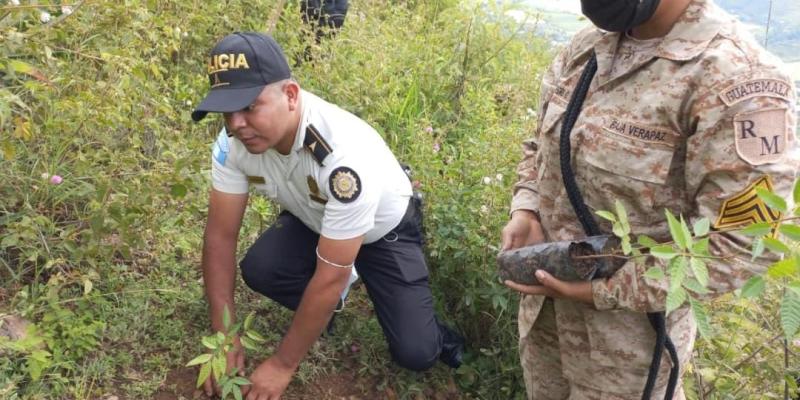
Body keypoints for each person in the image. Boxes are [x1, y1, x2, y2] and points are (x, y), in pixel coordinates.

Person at [501, 0, 798, 399]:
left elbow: (742, 246)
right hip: (546, 320)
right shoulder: (588, 47)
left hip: (630, 355)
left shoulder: (735, 80)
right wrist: (528, 206)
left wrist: (603, 292)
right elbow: (541, 142)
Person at [191, 32, 464, 399]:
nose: (236, 123)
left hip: (383, 231)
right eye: (227, 111)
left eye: (250, 106)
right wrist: (224, 336)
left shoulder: (343, 156)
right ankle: (330, 304)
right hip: (316, 218)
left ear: (290, 95)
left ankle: (432, 330)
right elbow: (220, 238)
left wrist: (283, 364)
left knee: (416, 351)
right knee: (261, 268)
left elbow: (328, 276)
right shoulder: (232, 145)